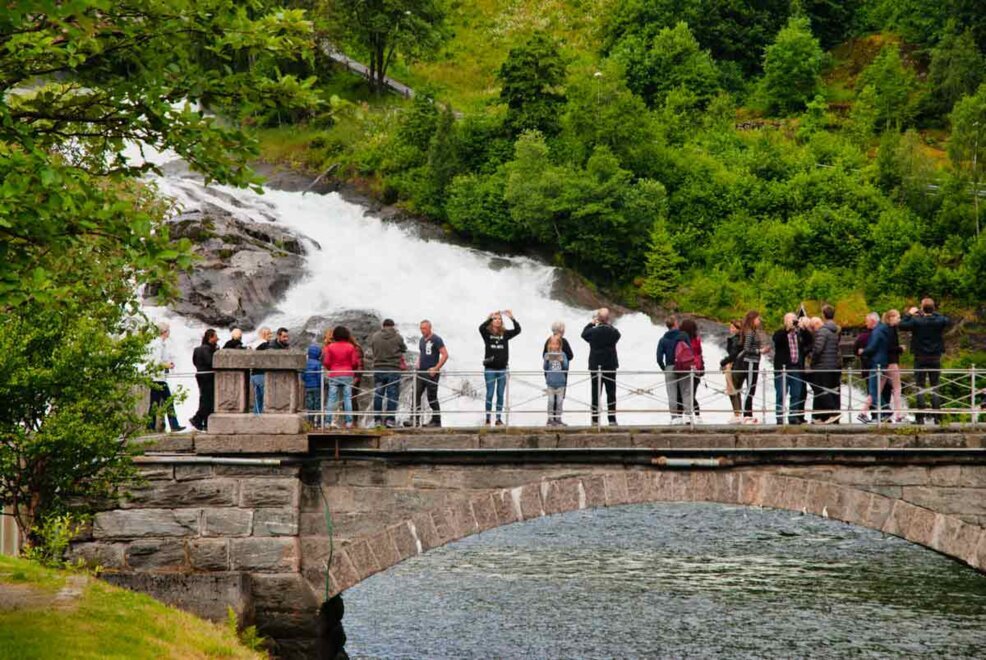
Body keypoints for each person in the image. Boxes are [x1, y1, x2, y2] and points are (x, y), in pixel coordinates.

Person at [899, 298, 951, 425]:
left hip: (920, 357)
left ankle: (920, 417)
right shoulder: (940, 320)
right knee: (935, 386)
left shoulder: (916, 321)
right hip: (935, 357)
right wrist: (932, 312)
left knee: (920, 386)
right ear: (934, 308)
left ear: (922, 308)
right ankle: (937, 417)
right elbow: (946, 320)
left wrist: (910, 313)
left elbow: (901, 325)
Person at [479, 310, 521, 426]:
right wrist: (489, 318)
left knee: (500, 394)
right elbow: (480, 328)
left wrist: (512, 318)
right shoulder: (486, 333)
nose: (497, 320)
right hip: (490, 369)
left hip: (503, 368)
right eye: (495, 319)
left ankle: (498, 418)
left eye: (499, 319)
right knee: (489, 393)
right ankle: (488, 418)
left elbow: (518, 330)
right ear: (491, 321)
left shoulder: (505, 333)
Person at [581, 308, 621, 426]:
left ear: (598, 318)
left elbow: (583, 334)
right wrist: (608, 323)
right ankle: (612, 419)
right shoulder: (613, 332)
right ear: (608, 319)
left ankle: (594, 419)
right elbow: (618, 334)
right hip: (610, 365)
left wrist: (591, 323)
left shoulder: (593, 332)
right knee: (611, 392)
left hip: (596, 365)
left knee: (595, 393)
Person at [772, 313, 811, 425]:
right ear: (785, 321)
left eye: (794, 320)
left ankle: (793, 416)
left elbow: (810, 341)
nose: (793, 322)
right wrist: (787, 329)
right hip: (782, 368)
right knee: (781, 393)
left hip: (796, 367)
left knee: (796, 392)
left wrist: (802, 328)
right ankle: (779, 416)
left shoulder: (799, 334)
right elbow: (776, 340)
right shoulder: (780, 333)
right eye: (790, 320)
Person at [369, 319, 408, 428]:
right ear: (393, 326)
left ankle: (377, 420)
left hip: (378, 369)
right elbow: (404, 349)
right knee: (392, 395)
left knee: (378, 394)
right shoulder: (398, 337)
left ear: (383, 325)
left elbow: (372, 348)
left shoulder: (375, 336)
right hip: (393, 369)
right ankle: (390, 420)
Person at [147, 322, 184, 432]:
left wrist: (169, 364)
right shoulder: (158, 344)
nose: (169, 332)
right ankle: (173, 426)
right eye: (168, 330)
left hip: (159, 378)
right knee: (166, 402)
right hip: (157, 378)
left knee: (156, 403)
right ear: (164, 332)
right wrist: (168, 365)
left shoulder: (161, 343)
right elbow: (157, 362)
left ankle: (151, 426)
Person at [322, 326, 360, 429]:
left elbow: (326, 362)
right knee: (347, 398)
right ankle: (348, 422)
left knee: (331, 398)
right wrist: (352, 368)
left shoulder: (330, 347)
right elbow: (355, 362)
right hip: (347, 374)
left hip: (334, 374)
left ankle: (327, 422)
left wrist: (331, 368)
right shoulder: (350, 347)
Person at [734, 311, 769, 422]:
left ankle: (749, 413)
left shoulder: (753, 332)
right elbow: (747, 348)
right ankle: (746, 414)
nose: (759, 321)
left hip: (754, 362)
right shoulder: (749, 333)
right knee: (750, 388)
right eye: (758, 319)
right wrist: (760, 351)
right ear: (753, 319)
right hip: (749, 362)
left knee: (752, 388)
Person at [413, 320, 448, 427]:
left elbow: (445, 354)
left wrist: (436, 368)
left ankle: (436, 420)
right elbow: (421, 352)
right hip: (421, 372)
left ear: (430, 328)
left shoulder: (436, 339)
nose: (422, 331)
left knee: (431, 397)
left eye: (424, 328)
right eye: (421, 328)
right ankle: (414, 419)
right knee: (416, 394)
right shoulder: (421, 340)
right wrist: (418, 362)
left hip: (431, 373)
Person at [859, 312, 892, 424]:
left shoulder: (877, 331)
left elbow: (872, 347)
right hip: (883, 363)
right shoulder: (883, 329)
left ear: (873, 321)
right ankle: (885, 411)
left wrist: (863, 351)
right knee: (876, 391)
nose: (866, 323)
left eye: (867, 321)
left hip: (877, 363)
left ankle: (886, 411)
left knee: (873, 391)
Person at [811, 305, 842, 423]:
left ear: (823, 315)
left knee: (820, 390)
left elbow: (818, 349)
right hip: (833, 365)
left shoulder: (823, 331)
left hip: (822, 366)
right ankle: (820, 416)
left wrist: (813, 362)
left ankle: (833, 412)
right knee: (831, 390)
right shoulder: (835, 330)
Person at [656, 316, 687, 422]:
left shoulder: (663, 339)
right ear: (675, 324)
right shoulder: (683, 336)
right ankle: (688, 416)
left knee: (671, 393)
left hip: (669, 366)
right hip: (683, 367)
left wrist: (664, 368)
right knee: (685, 392)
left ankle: (674, 418)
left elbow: (659, 358)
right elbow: (689, 350)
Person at [189, 328, 219, 431]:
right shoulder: (208, 349)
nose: (217, 338)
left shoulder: (197, 349)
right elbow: (211, 362)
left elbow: (194, 362)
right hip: (208, 376)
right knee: (208, 399)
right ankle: (197, 419)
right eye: (215, 337)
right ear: (210, 337)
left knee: (204, 398)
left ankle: (205, 422)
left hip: (199, 375)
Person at [674, 318, 702, 423]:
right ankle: (697, 416)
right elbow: (699, 355)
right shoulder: (697, 340)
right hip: (696, 369)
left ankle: (679, 417)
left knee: (680, 394)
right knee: (692, 394)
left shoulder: (680, 339)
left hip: (682, 369)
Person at [883, 309, 906, 423]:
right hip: (891, 362)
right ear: (891, 318)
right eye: (897, 317)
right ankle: (898, 413)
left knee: (878, 389)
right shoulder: (891, 330)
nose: (899, 319)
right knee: (897, 388)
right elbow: (889, 347)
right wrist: (900, 348)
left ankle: (864, 411)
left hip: (885, 363)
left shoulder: (886, 329)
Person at [720, 319, 744, 421]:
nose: (731, 329)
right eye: (731, 327)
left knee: (732, 390)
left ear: (738, 329)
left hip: (734, 366)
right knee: (737, 390)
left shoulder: (736, 340)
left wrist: (723, 362)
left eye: (733, 327)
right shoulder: (741, 338)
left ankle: (737, 414)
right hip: (741, 366)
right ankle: (739, 413)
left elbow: (733, 354)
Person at [543, 334, 569, 426]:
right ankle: (550, 419)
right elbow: (545, 368)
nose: (554, 346)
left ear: (559, 345)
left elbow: (566, 367)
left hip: (561, 382)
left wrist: (562, 361)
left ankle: (558, 419)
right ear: (549, 345)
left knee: (559, 402)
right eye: (552, 344)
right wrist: (546, 360)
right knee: (550, 401)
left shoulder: (563, 354)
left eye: (556, 344)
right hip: (550, 383)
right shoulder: (547, 354)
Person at [252, 327, 272, 414]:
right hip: (261, 373)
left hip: (254, 373)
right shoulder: (264, 345)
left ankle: (256, 415)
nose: (271, 336)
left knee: (257, 398)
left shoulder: (254, 344)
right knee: (265, 398)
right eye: (269, 334)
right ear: (265, 335)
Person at [303, 343, 323, 428]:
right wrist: (320, 384)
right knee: (317, 403)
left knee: (309, 403)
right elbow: (319, 376)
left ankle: (310, 421)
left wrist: (306, 381)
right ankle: (318, 421)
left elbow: (303, 375)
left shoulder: (306, 363)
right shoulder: (318, 363)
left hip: (308, 386)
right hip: (317, 387)